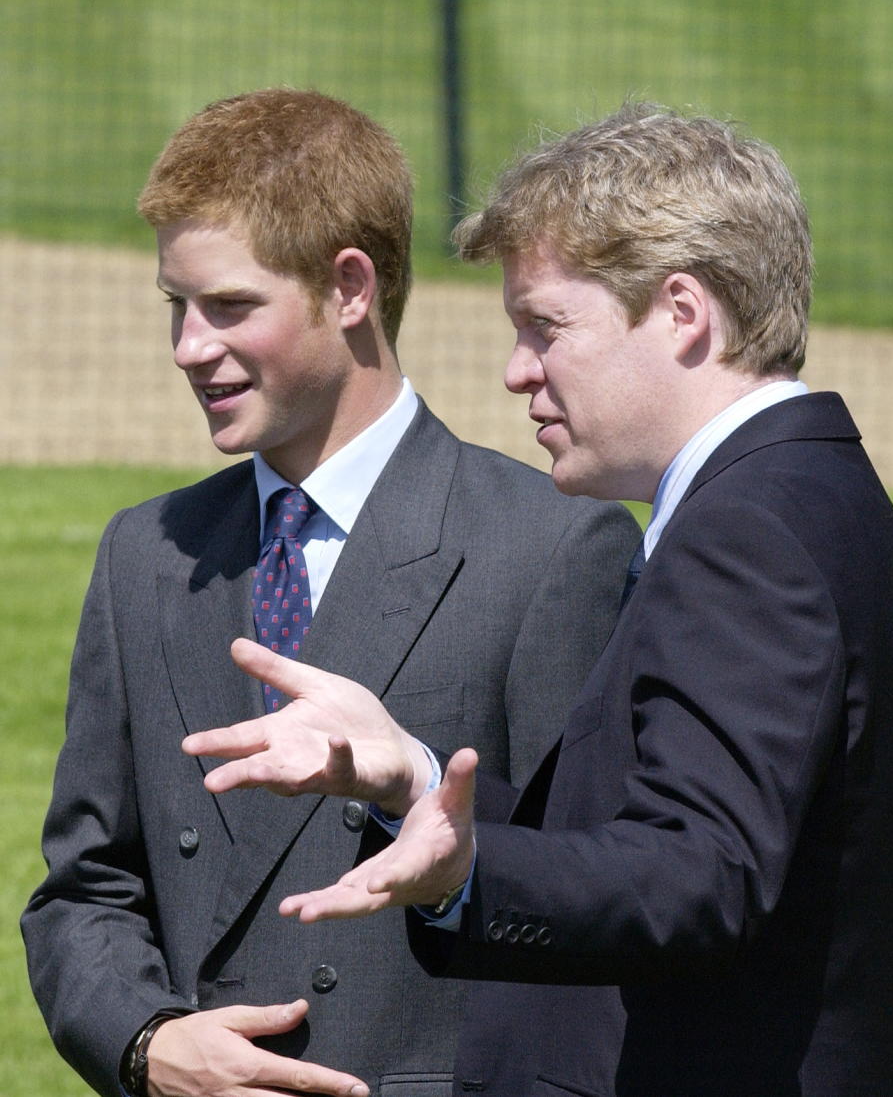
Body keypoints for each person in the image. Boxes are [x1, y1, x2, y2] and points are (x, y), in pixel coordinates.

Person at [183, 103, 893, 1096]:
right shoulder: (793, 496)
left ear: (683, 313)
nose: (515, 371)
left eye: (545, 325)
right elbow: (649, 830)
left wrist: (465, 876)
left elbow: (700, 873)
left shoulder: (752, 529)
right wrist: (412, 778)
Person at [21, 89, 641, 1097]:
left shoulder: (551, 548)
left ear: (350, 287)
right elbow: (84, 890)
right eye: (175, 305)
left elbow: (594, 902)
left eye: (228, 306)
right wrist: (147, 1040)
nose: (187, 345)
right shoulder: (147, 553)